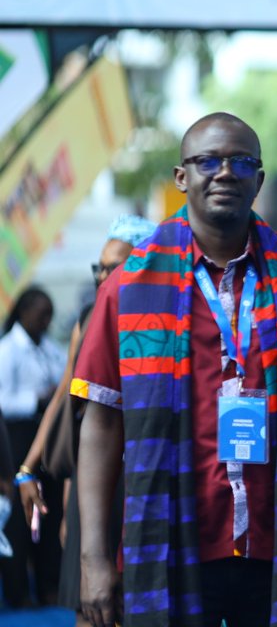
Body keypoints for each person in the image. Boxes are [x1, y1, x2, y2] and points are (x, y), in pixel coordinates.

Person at [72, 112, 277, 627]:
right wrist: (93, 559)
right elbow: (101, 421)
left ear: (259, 179)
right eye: (208, 161)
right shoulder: (129, 287)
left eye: (241, 162)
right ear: (182, 177)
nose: (225, 172)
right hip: (172, 544)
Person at [18, 214, 157, 626]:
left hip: (143, 478)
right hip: (93, 479)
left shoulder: (165, 319)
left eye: (115, 267)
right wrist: (31, 470)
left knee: (140, 606)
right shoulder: (88, 316)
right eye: (99, 267)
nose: (102, 277)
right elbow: (65, 400)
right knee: (89, 608)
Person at [0, 285, 66, 607]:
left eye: (49, 316)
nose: (46, 322)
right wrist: (37, 398)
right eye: (42, 315)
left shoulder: (48, 347)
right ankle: (18, 592)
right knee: (17, 520)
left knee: (48, 514)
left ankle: (48, 586)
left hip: (45, 442)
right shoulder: (7, 350)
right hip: (16, 440)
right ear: (24, 312)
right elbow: (1, 399)